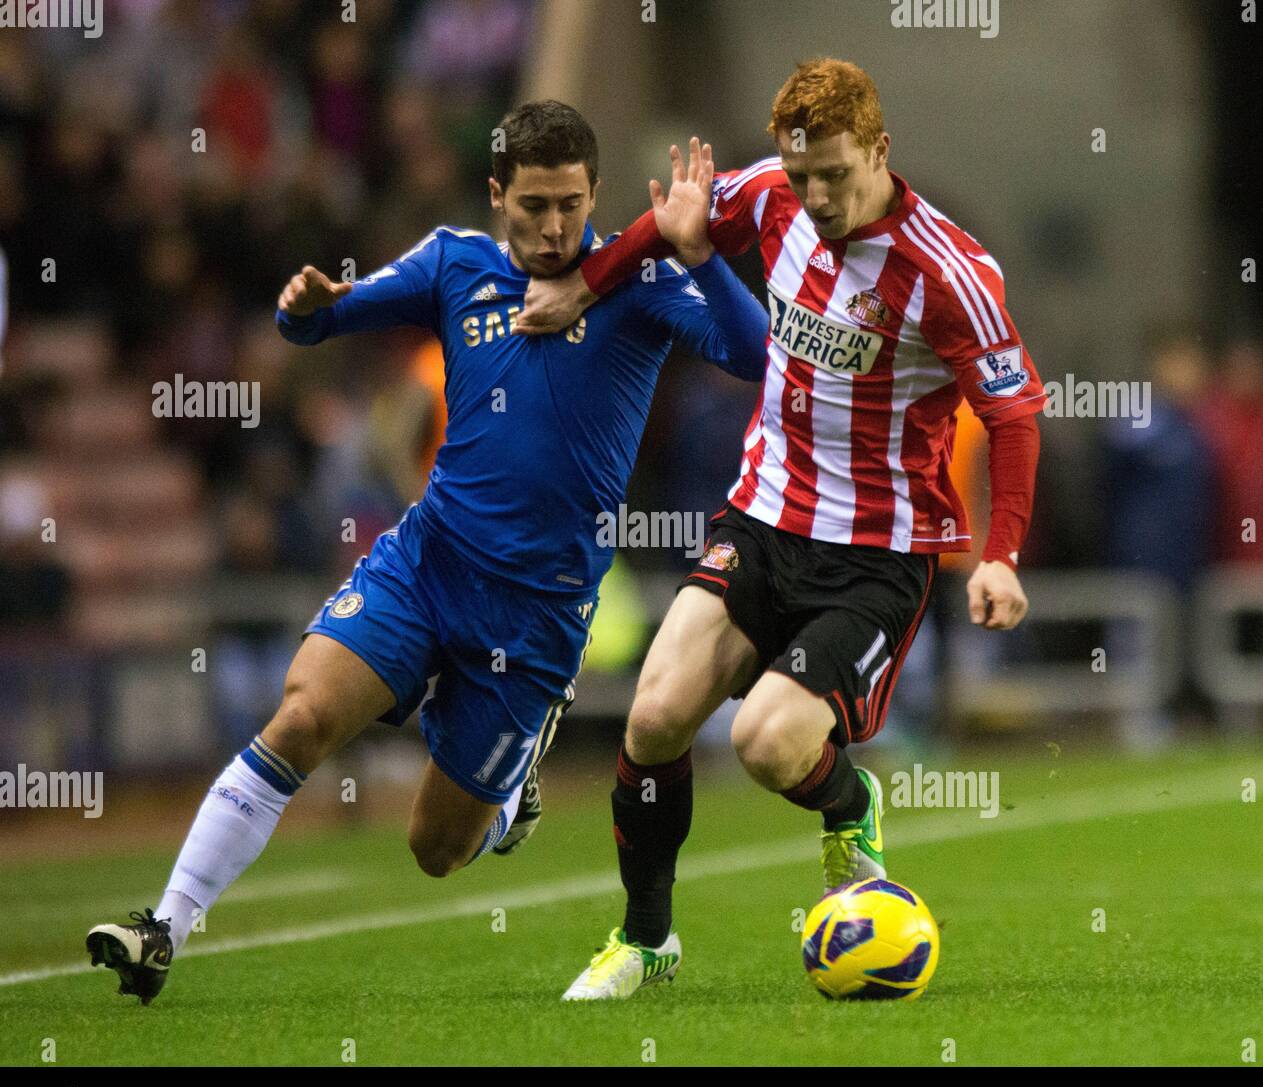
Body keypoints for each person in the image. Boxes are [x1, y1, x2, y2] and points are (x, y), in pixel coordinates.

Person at [86, 100, 769, 1006]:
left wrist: (698, 253)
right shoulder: (455, 262)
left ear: (596, 193)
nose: (555, 225)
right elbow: (324, 324)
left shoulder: (638, 286)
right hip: (429, 562)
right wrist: (308, 312)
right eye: (533, 205)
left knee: (434, 849)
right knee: (300, 718)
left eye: (571, 202)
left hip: (534, 615)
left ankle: (508, 787)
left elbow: (757, 352)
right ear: (497, 195)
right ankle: (162, 927)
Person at [515, 60, 1047, 1001]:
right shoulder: (774, 195)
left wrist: (1001, 551)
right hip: (762, 519)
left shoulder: (949, 273)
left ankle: (850, 802)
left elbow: (1012, 411)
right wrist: (585, 286)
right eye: (802, 176)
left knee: (764, 743)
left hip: (874, 558)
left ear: (880, 152)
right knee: (652, 716)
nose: (816, 197)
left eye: (835, 176)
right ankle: (646, 942)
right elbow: (675, 221)